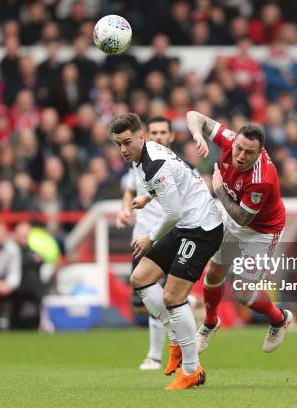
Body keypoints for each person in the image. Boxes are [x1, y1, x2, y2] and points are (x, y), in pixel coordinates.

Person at [109, 113, 223, 390]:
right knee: (140, 279)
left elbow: (173, 212)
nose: (123, 149)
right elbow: (176, 180)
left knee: (172, 296)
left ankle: (192, 369)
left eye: (127, 142)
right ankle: (177, 338)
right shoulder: (143, 156)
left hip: (201, 227)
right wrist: (147, 196)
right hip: (186, 225)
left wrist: (150, 238)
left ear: (141, 136)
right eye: (118, 144)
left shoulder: (154, 162)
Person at [186, 110, 293, 354]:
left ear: (259, 153)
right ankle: (210, 323)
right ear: (234, 141)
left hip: (261, 231)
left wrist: (218, 190)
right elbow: (194, 115)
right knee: (213, 273)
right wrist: (197, 135)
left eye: (249, 152)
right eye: (239, 149)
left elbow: (244, 219)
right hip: (234, 217)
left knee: (243, 293)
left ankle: (279, 319)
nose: (241, 155)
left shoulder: (262, 178)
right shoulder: (229, 138)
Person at [116, 116, 175, 371]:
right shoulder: (137, 164)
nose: (160, 136)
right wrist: (123, 210)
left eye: (164, 132)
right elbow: (130, 190)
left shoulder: (178, 166)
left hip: (167, 238)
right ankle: (184, 308)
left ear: (171, 136)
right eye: (155, 132)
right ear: (146, 135)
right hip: (141, 238)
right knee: (143, 304)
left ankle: (155, 355)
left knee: (156, 293)